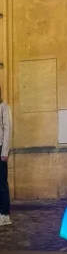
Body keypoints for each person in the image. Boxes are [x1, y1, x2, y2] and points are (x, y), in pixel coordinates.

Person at [0, 90, 11, 226]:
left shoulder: (3, 106)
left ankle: (4, 214)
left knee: (1, 182)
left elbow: (7, 128)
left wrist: (5, 151)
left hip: (1, 147)